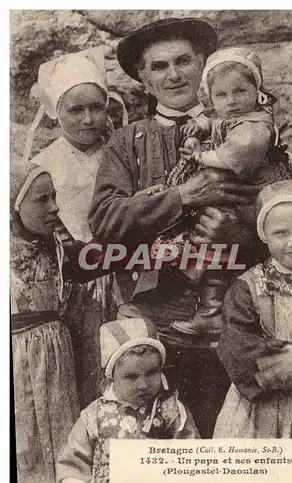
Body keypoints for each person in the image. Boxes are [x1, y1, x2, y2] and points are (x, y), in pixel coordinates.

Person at [89, 18, 262, 438]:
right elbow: (105, 222)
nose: (174, 74)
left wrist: (235, 230)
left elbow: (290, 216)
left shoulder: (248, 128)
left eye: (184, 61)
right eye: (160, 66)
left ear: (202, 65)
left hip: (234, 318)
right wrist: (182, 197)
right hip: (153, 323)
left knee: (232, 443)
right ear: (145, 80)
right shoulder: (127, 142)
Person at [151, 47, 292, 336]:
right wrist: (202, 124)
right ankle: (206, 301)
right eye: (221, 95)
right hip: (236, 193)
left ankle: (213, 310)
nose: (232, 101)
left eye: (240, 92)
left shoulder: (255, 125)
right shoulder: (234, 116)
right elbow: (218, 122)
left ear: (256, 91)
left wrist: (200, 157)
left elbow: (234, 157)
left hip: (255, 196)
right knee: (209, 237)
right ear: (211, 98)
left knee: (217, 239)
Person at [31, 47, 127, 409]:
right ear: (57, 114)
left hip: (122, 270)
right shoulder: (45, 164)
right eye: (75, 110)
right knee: (86, 363)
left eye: (96, 108)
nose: (88, 119)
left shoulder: (120, 150)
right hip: (76, 282)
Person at [213, 180, 292, 438]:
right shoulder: (249, 287)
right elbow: (236, 348)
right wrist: (291, 362)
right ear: (264, 236)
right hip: (259, 416)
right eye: (280, 233)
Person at [56, 318, 199, 483]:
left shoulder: (171, 410)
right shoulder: (96, 414)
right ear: (111, 377)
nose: (143, 384)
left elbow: (190, 456)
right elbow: (74, 463)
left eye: (152, 372)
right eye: (131, 376)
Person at [11, 160, 80, 483]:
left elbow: (103, 257)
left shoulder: (57, 246)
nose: (54, 208)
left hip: (56, 360)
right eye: (41, 200)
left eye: (54, 197)